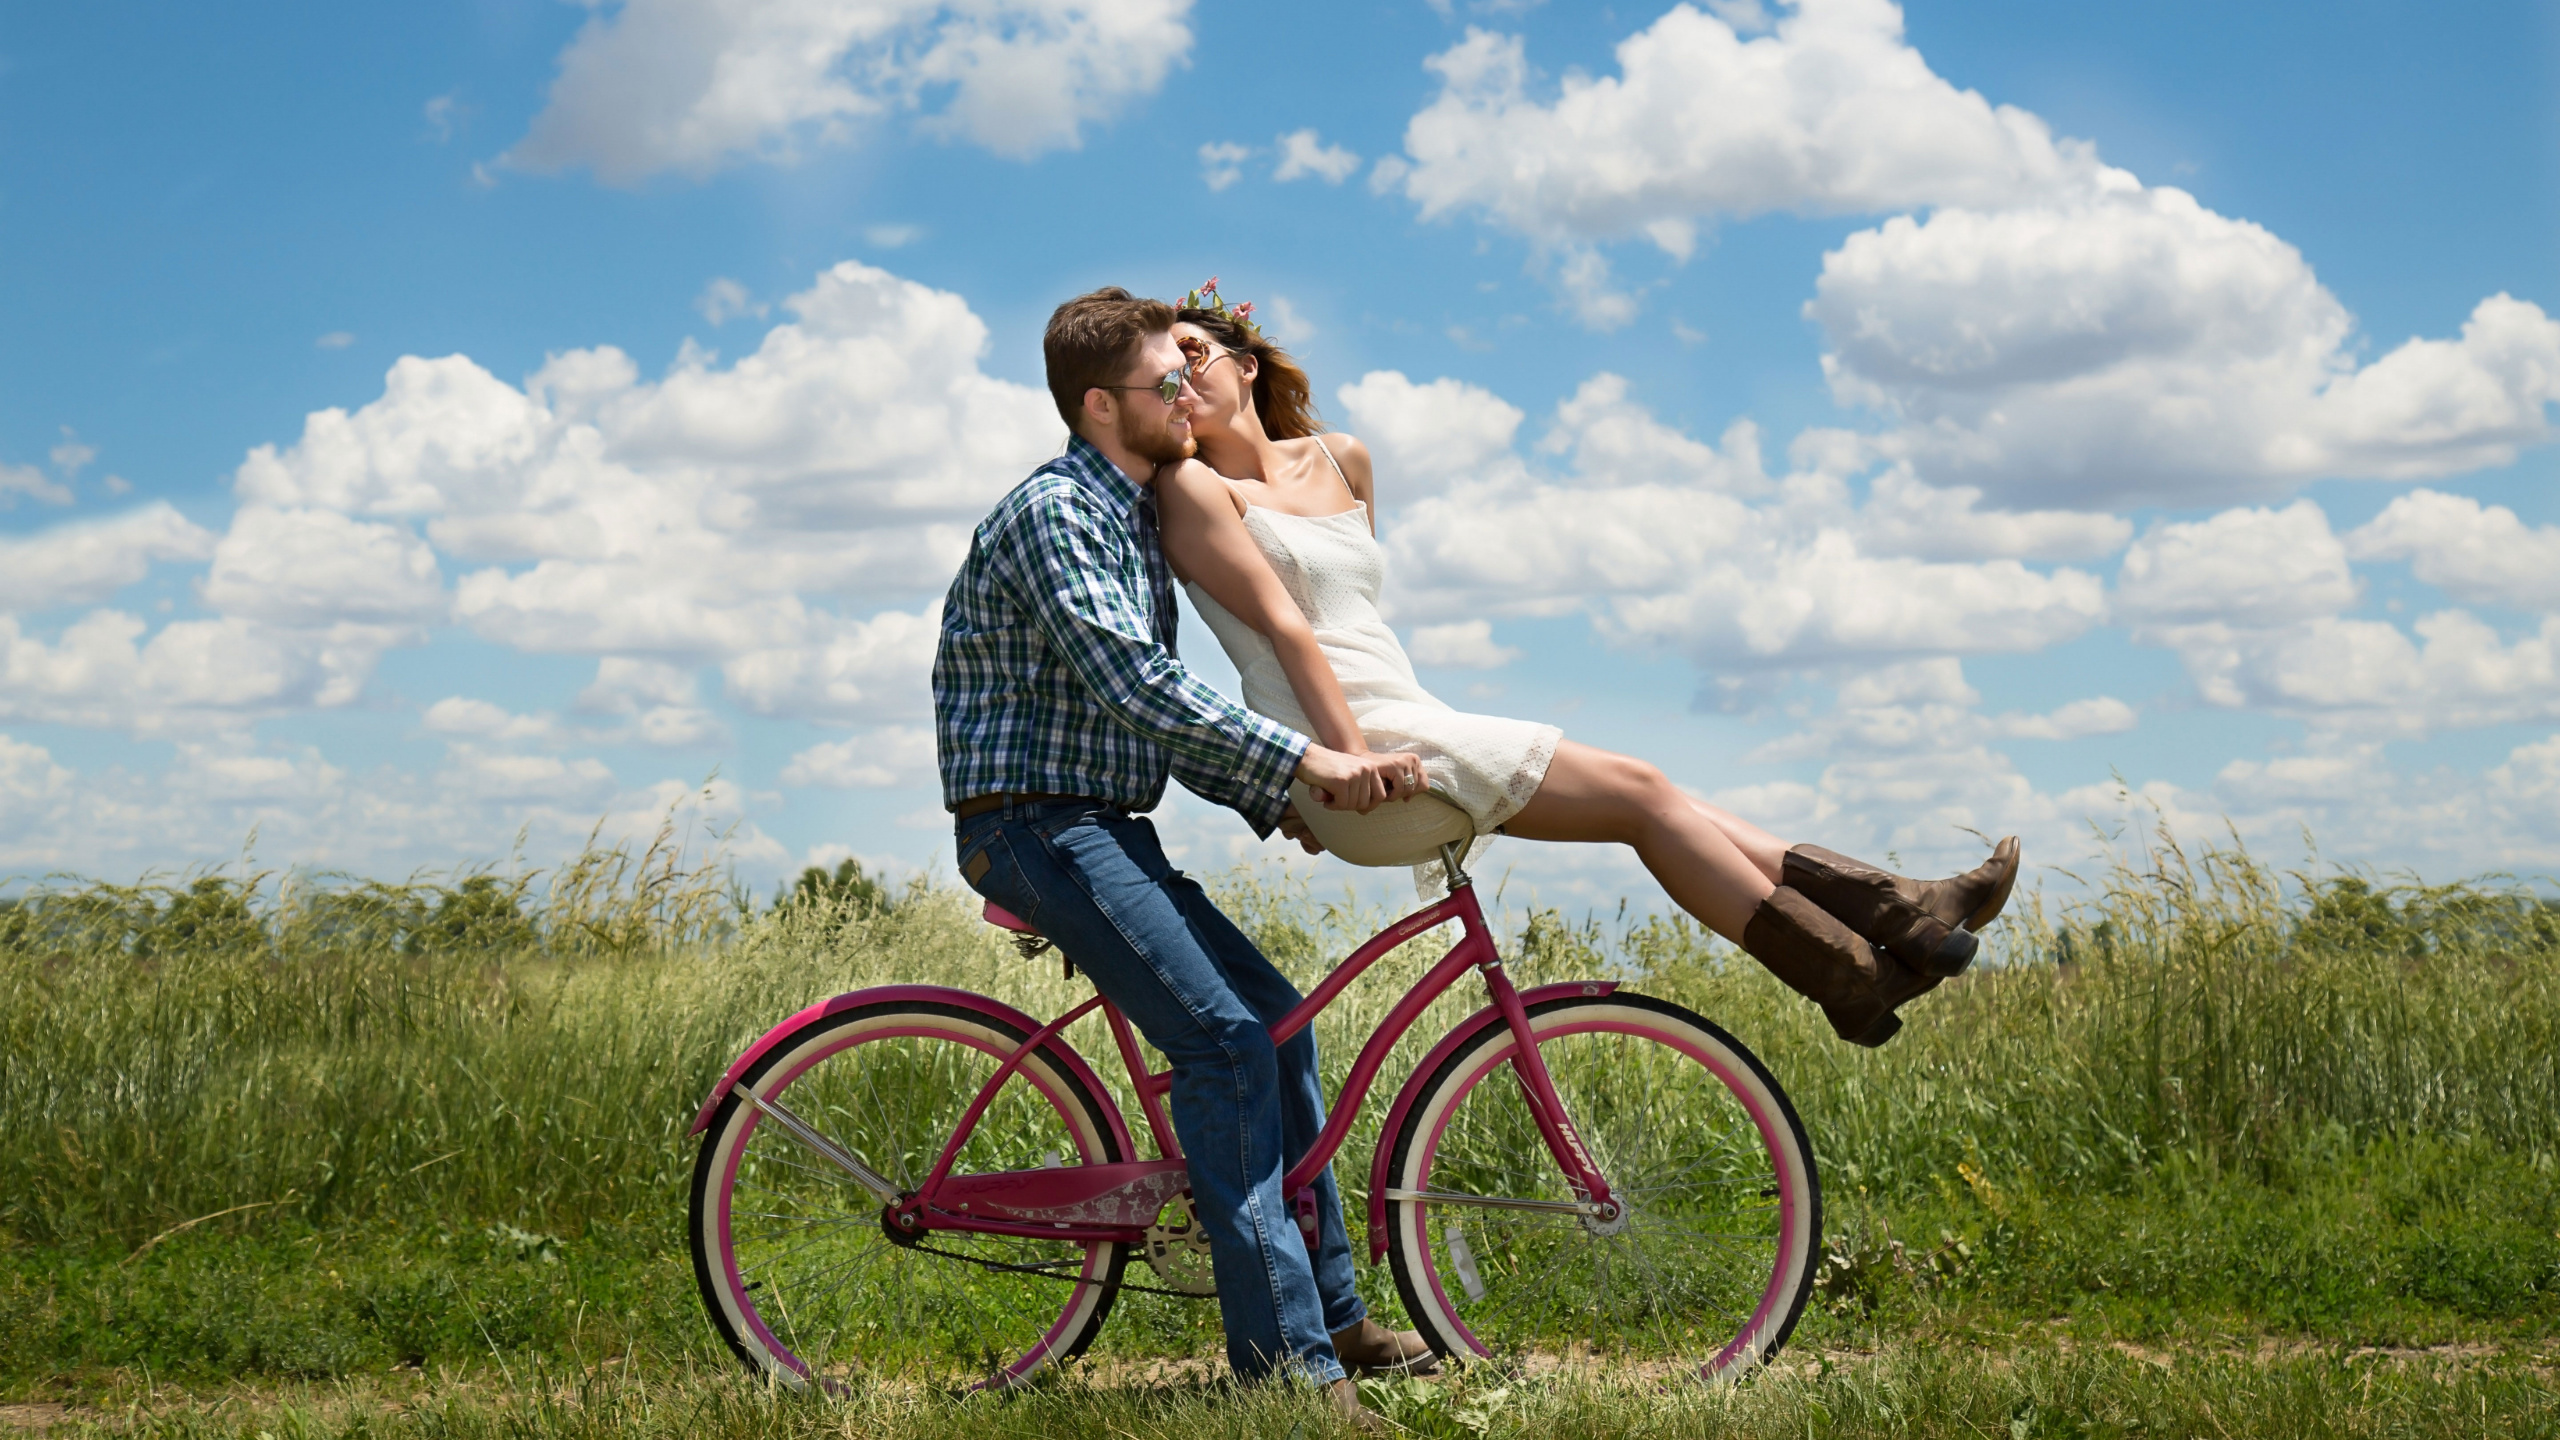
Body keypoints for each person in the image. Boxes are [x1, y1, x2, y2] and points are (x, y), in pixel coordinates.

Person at [1152, 280, 2022, 1047]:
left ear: (1246, 363)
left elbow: (1356, 623)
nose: (1180, 380)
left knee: (1659, 798)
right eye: (1162, 374)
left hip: (1403, 718)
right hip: (1353, 749)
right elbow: (1289, 635)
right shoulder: (1195, 490)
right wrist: (1335, 762)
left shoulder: (1344, 459)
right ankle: (1862, 960)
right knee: (1644, 795)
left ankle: (1895, 924)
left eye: (1193, 354)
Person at [932, 287, 1433, 1421]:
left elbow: (1141, 720)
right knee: (1225, 1047)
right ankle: (1288, 1374)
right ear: (1105, 404)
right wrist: (1309, 762)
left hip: (1101, 822)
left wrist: (1277, 798)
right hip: (1033, 825)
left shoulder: (1130, 517)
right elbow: (1137, 686)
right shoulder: (1061, 512)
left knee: (1279, 1025)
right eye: (1170, 382)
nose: (1188, 398)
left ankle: (1338, 1320)